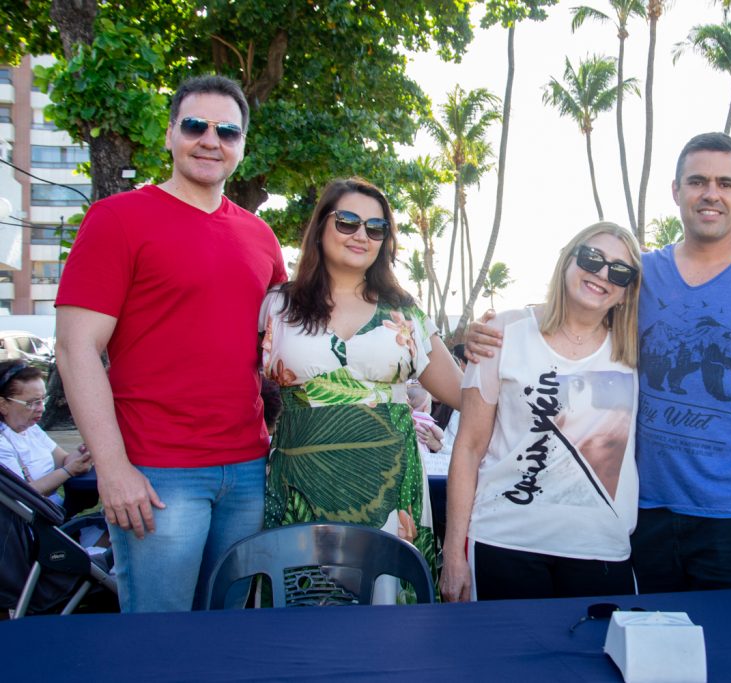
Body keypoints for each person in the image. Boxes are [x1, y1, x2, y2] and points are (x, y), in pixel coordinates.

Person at [467, 134, 731, 591]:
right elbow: (574, 319)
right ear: (676, 190)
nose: (711, 194)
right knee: (646, 650)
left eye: (726, 184)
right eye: (698, 181)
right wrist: (497, 329)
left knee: (726, 652)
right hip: (644, 510)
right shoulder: (639, 274)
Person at [54, 75, 287, 613]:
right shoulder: (117, 219)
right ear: (169, 134)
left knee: (227, 635)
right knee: (159, 643)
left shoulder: (261, 236)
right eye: (195, 125)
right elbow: (75, 349)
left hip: (249, 470)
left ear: (242, 146)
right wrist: (112, 470)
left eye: (228, 130)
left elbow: (284, 349)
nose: (211, 139)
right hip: (158, 474)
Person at [260, 177, 462, 579]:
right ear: (321, 226)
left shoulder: (405, 311)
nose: (361, 235)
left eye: (375, 227)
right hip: (301, 484)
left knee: (387, 611)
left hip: (391, 487)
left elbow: (463, 394)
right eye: (348, 221)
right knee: (303, 604)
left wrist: (498, 350)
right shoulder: (277, 304)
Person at [441, 222, 642, 602]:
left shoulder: (634, 350)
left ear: (625, 292)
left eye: (619, 271)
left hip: (599, 546)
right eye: (592, 258)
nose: (602, 273)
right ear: (567, 259)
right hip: (505, 539)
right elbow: (468, 448)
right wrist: (453, 553)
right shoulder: (502, 333)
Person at [0, 362, 92, 505]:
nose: (41, 408)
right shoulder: (2, 444)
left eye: (43, 400)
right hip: (29, 523)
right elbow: (20, 496)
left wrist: (85, 450)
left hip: (51, 514)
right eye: (32, 403)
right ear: (3, 405)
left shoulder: (31, 429)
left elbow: (63, 460)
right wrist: (69, 472)